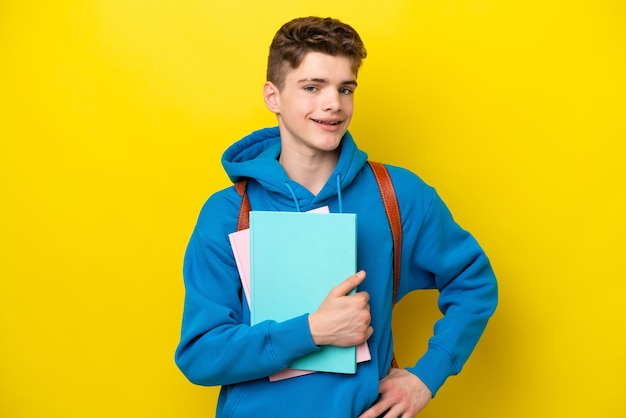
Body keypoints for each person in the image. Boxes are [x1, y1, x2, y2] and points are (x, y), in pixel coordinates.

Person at [175, 16, 498, 418]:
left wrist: (426, 377)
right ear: (273, 96)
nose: (334, 104)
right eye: (313, 87)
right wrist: (312, 331)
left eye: (345, 89)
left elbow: (474, 283)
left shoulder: (397, 195)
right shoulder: (226, 214)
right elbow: (201, 356)